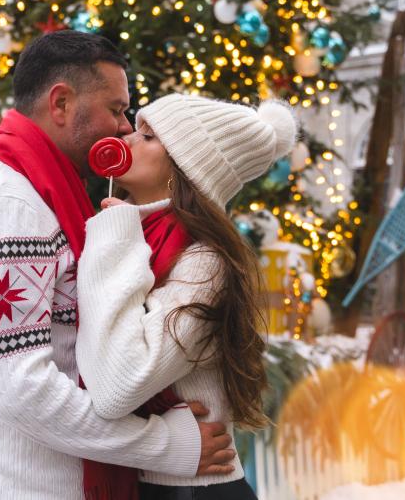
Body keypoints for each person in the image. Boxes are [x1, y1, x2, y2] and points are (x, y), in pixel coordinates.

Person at [0, 31, 235, 500]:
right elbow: (21, 390)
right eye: (116, 109)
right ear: (61, 103)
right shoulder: (7, 206)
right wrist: (163, 444)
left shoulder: (38, 198)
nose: (124, 126)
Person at [75, 93, 298, 499]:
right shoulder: (131, 236)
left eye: (148, 136)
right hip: (146, 482)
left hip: (195, 491)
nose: (126, 136)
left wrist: (110, 239)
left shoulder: (204, 263)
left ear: (184, 168)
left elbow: (115, 388)